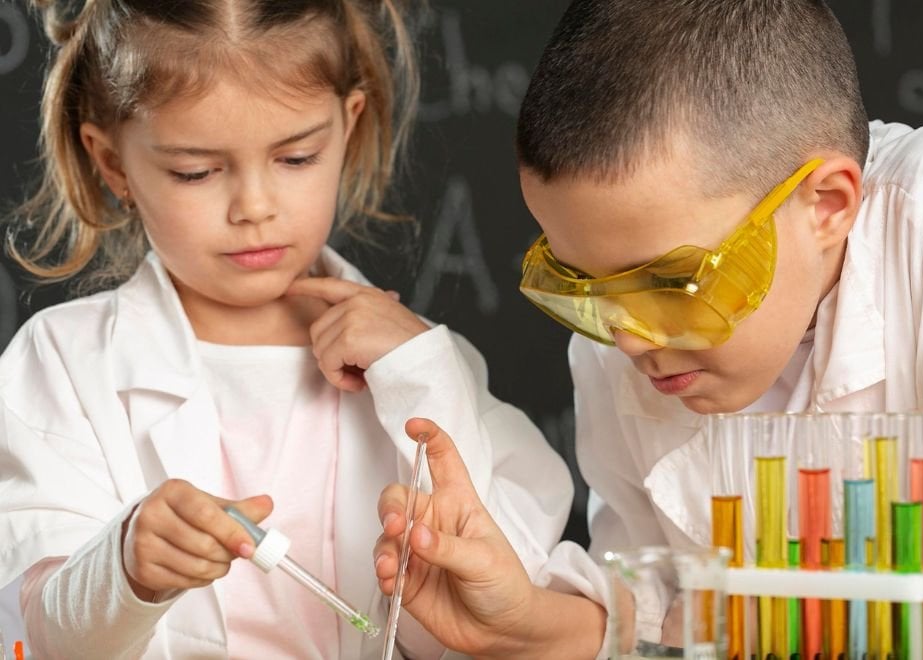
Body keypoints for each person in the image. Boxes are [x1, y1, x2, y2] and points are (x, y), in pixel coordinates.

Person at [373, 0, 923, 657]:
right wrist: (525, 624)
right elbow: (667, 625)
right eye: (585, 286)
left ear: (826, 205)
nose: (630, 341)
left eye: (668, 285)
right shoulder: (624, 340)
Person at [0, 1, 574, 658]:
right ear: (113, 164)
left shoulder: (424, 363)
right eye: (195, 171)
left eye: (297, 158)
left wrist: (423, 378)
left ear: (347, 126)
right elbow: (36, 628)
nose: (255, 207)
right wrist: (125, 571)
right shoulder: (60, 364)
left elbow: (508, 609)